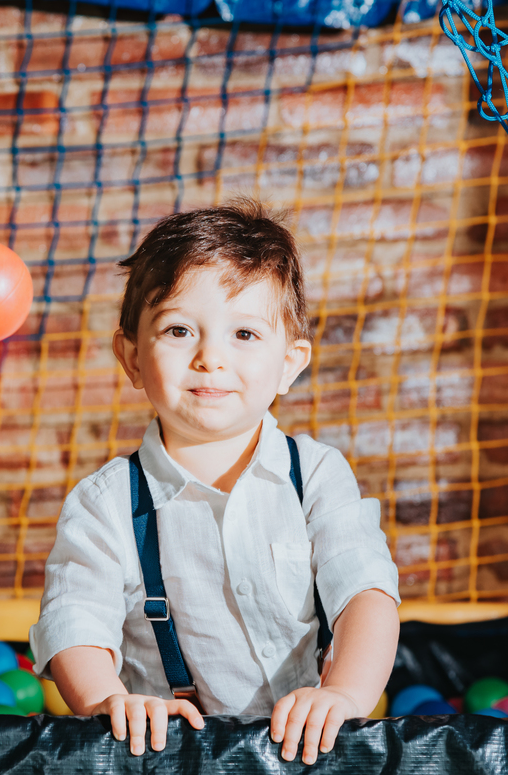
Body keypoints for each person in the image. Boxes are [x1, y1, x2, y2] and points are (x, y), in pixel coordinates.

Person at [29, 198, 400, 764]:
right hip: (166, 757)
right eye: (179, 330)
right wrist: (106, 699)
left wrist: (344, 694)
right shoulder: (106, 502)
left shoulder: (317, 476)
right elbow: (74, 622)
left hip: (305, 752)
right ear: (131, 357)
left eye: (244, 334)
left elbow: (365, 595)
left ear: (289, 363)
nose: (210, 357)